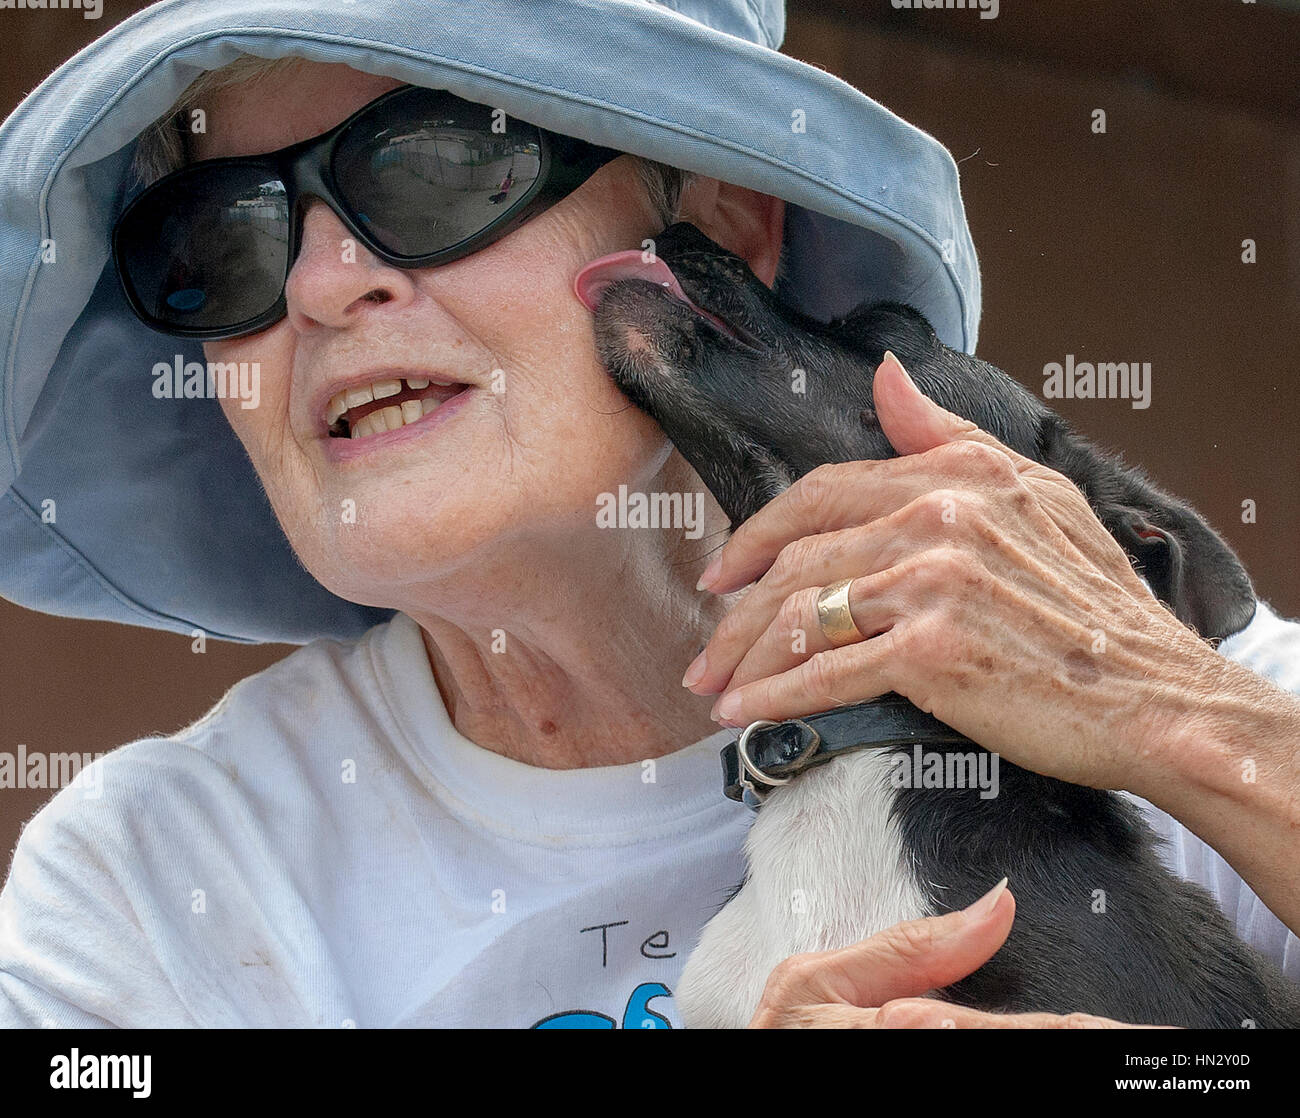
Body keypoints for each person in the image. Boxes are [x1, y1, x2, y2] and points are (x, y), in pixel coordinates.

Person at [0, 0, 1296, 1029]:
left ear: (723, 217)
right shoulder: (153, 885)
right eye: (220, 236)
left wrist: (1173, 714)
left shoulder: (1147, 670)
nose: (323, 283)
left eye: (435, 164)